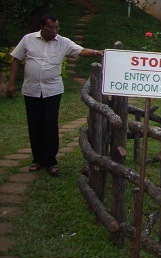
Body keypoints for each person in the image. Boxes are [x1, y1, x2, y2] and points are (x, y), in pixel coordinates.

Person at [6, 15, 104, 176]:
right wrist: (11, 84)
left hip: (52, 91)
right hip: (31, 90)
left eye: (56, 27)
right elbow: (16, 60)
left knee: (50, 125)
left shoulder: (63, 42)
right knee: (35, 124)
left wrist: (96, 52)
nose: (54, 31)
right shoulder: (28, 40)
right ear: (42, 27)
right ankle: (38, 160)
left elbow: (79, 50)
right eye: (50, 28)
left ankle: (51, 161)